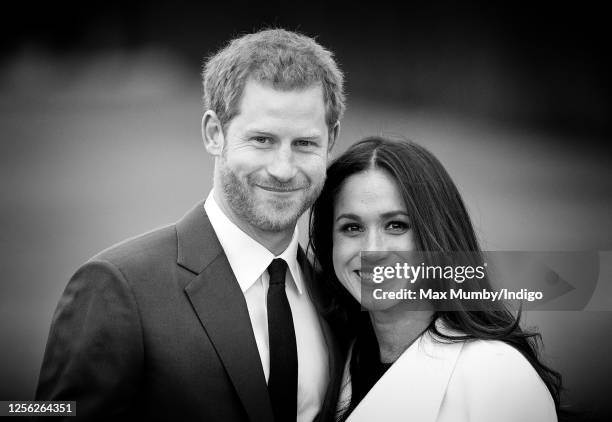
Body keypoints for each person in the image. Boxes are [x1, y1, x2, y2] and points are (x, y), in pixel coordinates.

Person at [36, 29, 345, 422]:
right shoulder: (118, 286)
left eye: (304, 144)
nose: (283, 169)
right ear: (214, 133)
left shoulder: (335, 298)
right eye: (262, 140)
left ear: (331, 141)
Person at [309, 137, 562, 422]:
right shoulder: (338, 359)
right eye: (352, 227)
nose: (374, 250)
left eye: (396, 225)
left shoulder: (496, 374)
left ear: (437, 236)